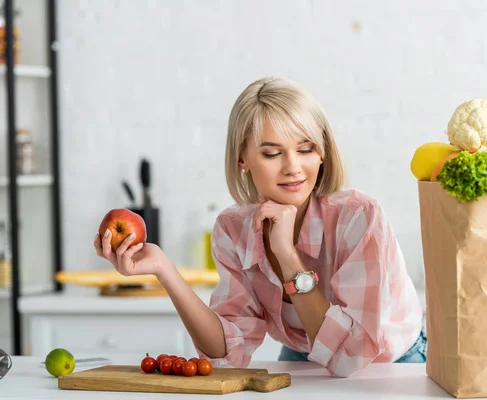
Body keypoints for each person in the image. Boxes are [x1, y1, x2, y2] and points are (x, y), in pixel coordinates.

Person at [94, 77, 425, 378]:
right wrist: (164, 269)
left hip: (391, 365)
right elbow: (226, 355)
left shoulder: (359, 218)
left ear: (322, 151)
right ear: (243, 159)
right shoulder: (233, 228)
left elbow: (350, 358)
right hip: (305, 355)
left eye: (306, 148)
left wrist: (285, 254)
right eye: (271, 153)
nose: (293, 167)